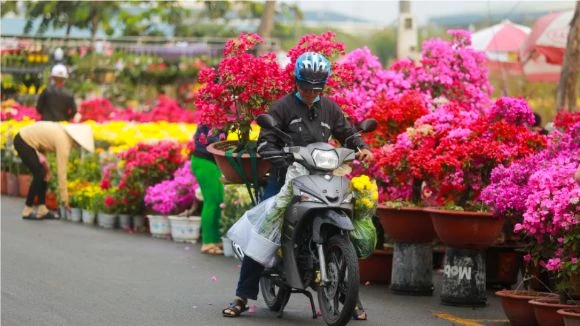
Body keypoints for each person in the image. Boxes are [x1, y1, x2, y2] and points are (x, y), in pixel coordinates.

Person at [222, 52, 373, 320]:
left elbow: (347, 133)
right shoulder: (281, 108)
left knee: (342, 225)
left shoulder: (329, 108)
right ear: (296, 82)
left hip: (320, 178)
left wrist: (361, 147)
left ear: (323, 86)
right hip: (284, 180)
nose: (310, 93)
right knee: (266, 229)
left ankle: (350, 297)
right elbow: (265, 141)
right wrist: (275, 154)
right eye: (305, 87)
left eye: (316, 88)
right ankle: (241, 296)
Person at [13, 122, 94, 219]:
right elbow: (61, 171)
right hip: (23, 141)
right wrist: (65, 199)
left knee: (43, 173)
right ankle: (27, 209)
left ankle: (42, 208)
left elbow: (42, 144)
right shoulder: (64, 142)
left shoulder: (62, 133)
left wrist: (46, 165)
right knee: (39, 174)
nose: (78, 147)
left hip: (26, 140)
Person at [190, 125, 225, 255]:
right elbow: (213, 139)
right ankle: (208, 242)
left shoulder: (222, 114)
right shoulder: (213, 115)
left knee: (217, 200)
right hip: (204, 161)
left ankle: (214, 239)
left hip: (210, 162)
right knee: (211, 202)